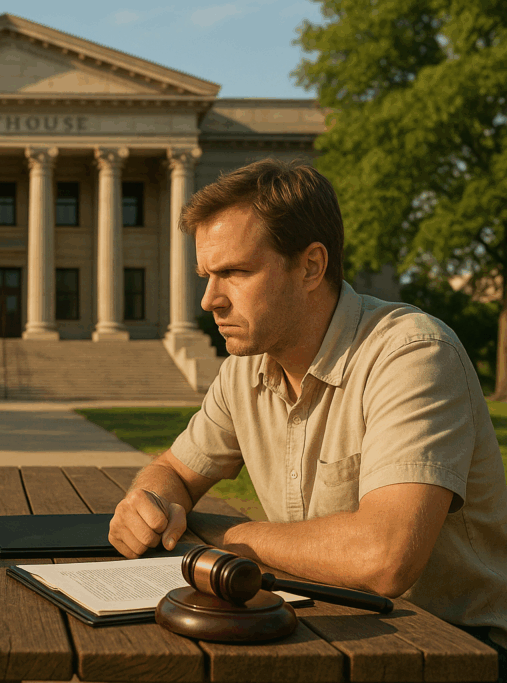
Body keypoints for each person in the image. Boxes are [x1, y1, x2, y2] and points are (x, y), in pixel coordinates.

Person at [109, 158, 507, 677]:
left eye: (234, 272)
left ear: (311, 267)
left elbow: (384, 557)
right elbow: (174, 471)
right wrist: (149, 502)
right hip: (327, 635)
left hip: (458, 652)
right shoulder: (243, 372)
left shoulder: (412, 354)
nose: (209, 299)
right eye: (207, 275)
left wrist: (225, 537)